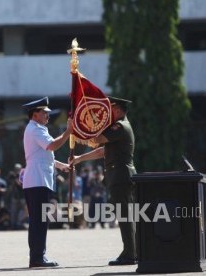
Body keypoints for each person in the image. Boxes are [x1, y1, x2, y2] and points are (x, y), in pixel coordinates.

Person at [71, 96, 137, 265]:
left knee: (125, 216)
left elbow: (98, 139)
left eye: (110, 110)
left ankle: (130, 254)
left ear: (117, 110)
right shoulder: (118, 129)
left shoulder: (120, 127)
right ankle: (131, 251)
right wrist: (79, 158)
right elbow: (102, 151)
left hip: (121, 176)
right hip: (118, 176)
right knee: (124, 215)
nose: (107, 114)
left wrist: (81, 129)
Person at [21, 96, 72, 268]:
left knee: (38, 220)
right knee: (40, 220)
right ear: (34, 114)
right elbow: (52, 146)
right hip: (38, 180)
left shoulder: (36, 128)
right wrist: (67, 133)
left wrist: (61, 166)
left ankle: (36, 256)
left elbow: (44, 156)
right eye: (44, 112)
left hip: (37, 179)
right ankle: (37, 257)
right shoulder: (36, 129)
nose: (47, 115)